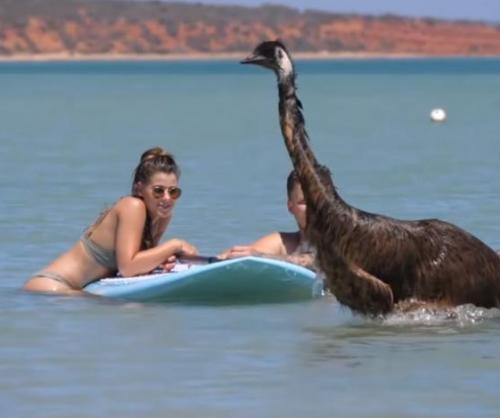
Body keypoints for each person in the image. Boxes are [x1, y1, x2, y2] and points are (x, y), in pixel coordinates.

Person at [24, 147, 198, 295]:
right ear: (139, 189)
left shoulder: (161, 216)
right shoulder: (132, 206)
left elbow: (140, 267)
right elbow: (128, 267)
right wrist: (174, 245)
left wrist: (217, 259)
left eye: (173, 192)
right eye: (158, 191)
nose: (167, 198)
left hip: (75, 290)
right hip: (52, 288)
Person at [219, 169, 320, 271]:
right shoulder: (283, 243)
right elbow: (245, 254)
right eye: (304, 202)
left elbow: (315, 261)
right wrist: (225, 257)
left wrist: (260, 257)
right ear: (290, 207)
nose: (313, 208)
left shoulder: (335, 240)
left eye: (319, 200)